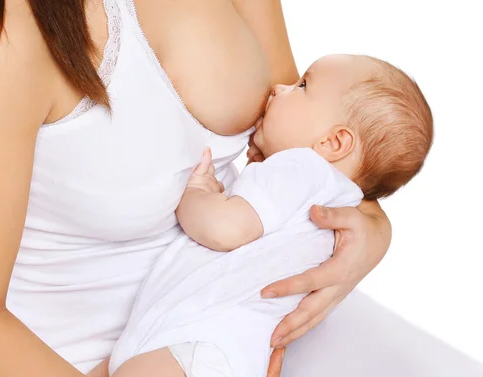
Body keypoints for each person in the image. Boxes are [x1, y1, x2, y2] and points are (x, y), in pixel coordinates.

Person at [0, 1, 483, 377]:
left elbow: (313, 150)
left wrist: (373, 232)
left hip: (249, 316)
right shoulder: (7, 23)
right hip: (90, 360)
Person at [107, 54, 434, 377]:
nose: (279, 87)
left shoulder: (302, 169)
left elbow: (225, 229)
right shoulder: (334, 199)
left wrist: (196, 191)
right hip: (226, 352)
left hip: (201, 345)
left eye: (302, 85)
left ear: (333, 142)